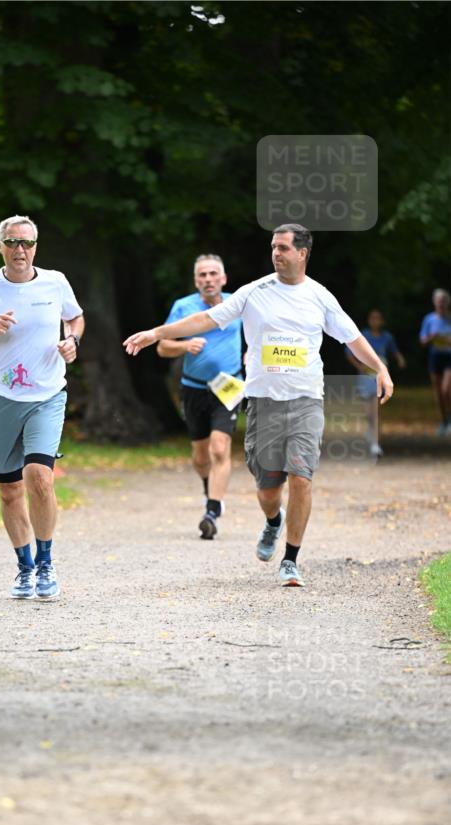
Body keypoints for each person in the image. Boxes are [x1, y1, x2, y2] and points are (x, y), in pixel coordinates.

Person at [124, 223, 394, 588]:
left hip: (306, 400)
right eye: (273, 247)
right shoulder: (254, 292)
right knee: (268, 491)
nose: (276, 253)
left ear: (302, 253)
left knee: (301, 477)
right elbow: (206, 319)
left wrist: (380, 368)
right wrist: (157, 332)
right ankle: (272, 521)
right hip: (264, 402)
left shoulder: (320, 297)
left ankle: (291, 559)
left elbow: (352, 337)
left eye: (283, 248)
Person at [0, 214, 84, 600]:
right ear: (0, 247)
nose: (19, 249)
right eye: (12, 242)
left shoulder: (55, 282)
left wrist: (72, 341)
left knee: (39, 477)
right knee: (10, 489)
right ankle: (24, 567)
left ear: (35, 247)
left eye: (26, 243)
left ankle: (45, 562)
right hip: (1, 398)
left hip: (47, 395)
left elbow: (75, 318)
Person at [157, 254, 242, 539]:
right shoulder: (183, 307)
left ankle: (212, 512)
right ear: (196, 281)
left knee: (220, 447)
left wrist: (252, 357)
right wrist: (185, 346)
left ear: (223, 278)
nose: (208, 279)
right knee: (201, 455)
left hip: (229, 386)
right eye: (203, 275)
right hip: (193, 388)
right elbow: (162, 347)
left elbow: (259, 335)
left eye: (213, 273)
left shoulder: (237, 304)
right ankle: (209, 490)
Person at [346, 309, 405, 458]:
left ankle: (375, 444)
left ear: (382, 321)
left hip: (379, 378)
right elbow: (349, 352)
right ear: (369, 320)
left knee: (376, 411)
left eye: (378, 318)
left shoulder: (387, 337)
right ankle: (370, 432)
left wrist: (400, 359)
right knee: (368, 413)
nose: (375, 321)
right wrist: (359, 366)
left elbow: (395, 351)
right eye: (372, 318)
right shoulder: (363, 335)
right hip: (365, 378)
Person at [419, 288, 451, 435]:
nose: (441, 304)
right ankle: (444, 421)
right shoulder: (429, 319)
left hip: (449, 357)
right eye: (439, 301)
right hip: (435, 357)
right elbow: (422, 341)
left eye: (443, 301)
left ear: (447, 303)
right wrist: (432, 337)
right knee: (438, 392)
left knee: (446, 389)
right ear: (434, 303)